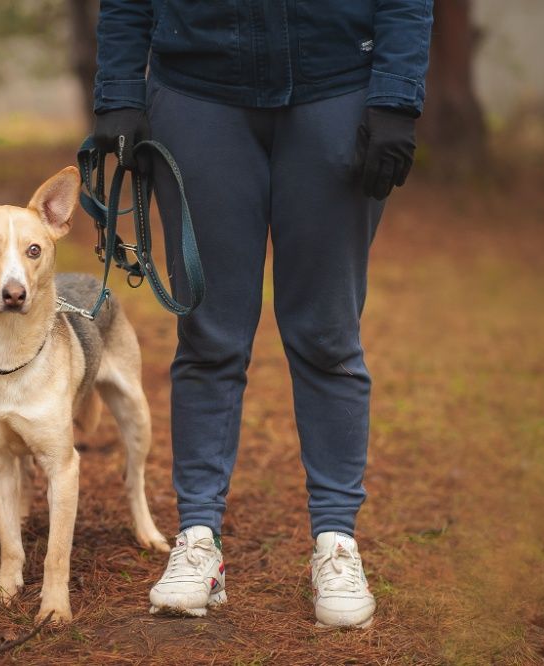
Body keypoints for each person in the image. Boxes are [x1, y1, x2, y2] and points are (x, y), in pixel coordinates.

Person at [93, 1, 432, 628]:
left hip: (337, 90)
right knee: (208, 336)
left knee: (328, 336)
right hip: (198, 97)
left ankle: (336, 543)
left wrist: (396, 97)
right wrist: (119, 93)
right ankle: (198, 541)